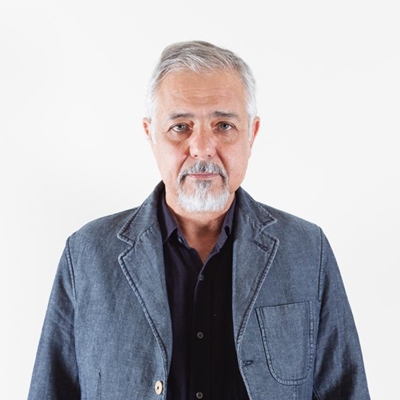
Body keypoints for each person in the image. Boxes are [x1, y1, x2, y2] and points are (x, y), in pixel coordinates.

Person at [28, 40, 370, 400]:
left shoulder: (306, 250)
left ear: (251, 134)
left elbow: (345, 390)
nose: (202, 147)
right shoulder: (87, 254)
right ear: (150, 134)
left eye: (223, 125)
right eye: (180, 127)